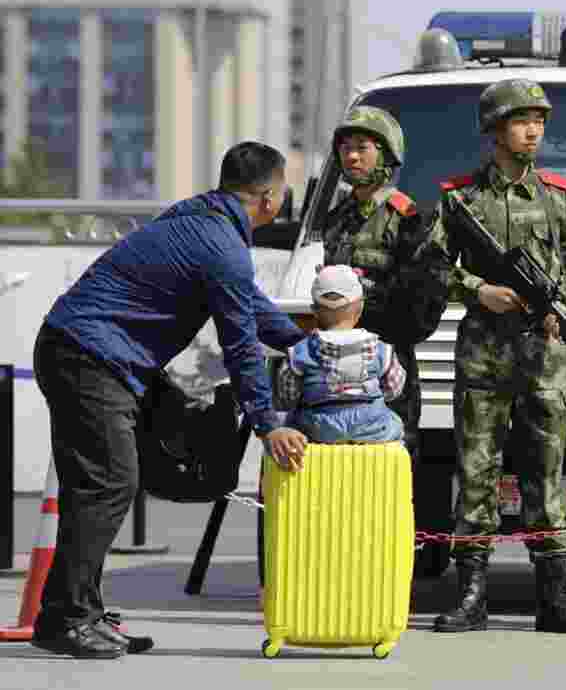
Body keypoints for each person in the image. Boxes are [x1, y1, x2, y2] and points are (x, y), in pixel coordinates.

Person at [31, 142, 309, 659]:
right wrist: (268, 423)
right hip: (91, 358)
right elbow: (241, 344)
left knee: (105, 483)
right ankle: (69, 620)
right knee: (109, 483)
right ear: (270, 197)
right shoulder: (221, 245)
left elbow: (247, 306)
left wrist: (307, 344)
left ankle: (76, 614)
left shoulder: (201, 219)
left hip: (86, 352)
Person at [431, 79, 566, 635]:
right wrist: (478, 290)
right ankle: (472, 595)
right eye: (522, 121)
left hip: (542, 357)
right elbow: (434, 265)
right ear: (495, 129)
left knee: (545, 476)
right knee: (476, 473)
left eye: (540, 121)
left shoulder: (560, 198)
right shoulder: (459, 199)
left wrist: (560, 304)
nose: (534, 131)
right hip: (484, 355)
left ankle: (553, 596)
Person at [311, 105, 447, 463]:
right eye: (345, 149)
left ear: (386, 154)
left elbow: (425, 303)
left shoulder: (408, 220)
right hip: (333, 369)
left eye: (362, 147)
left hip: (386, 367)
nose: (352, 156)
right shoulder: (336, 219)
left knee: (391, 468)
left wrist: (369, 317)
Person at [275, 264, 407, 443]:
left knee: (288, 422)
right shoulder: (381, 349)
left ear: (314, 312)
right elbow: (394, 389)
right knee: (396, 424)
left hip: (317, 429)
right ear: (360, 309)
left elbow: (288, 395)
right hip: (372, 427)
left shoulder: (300, 352)